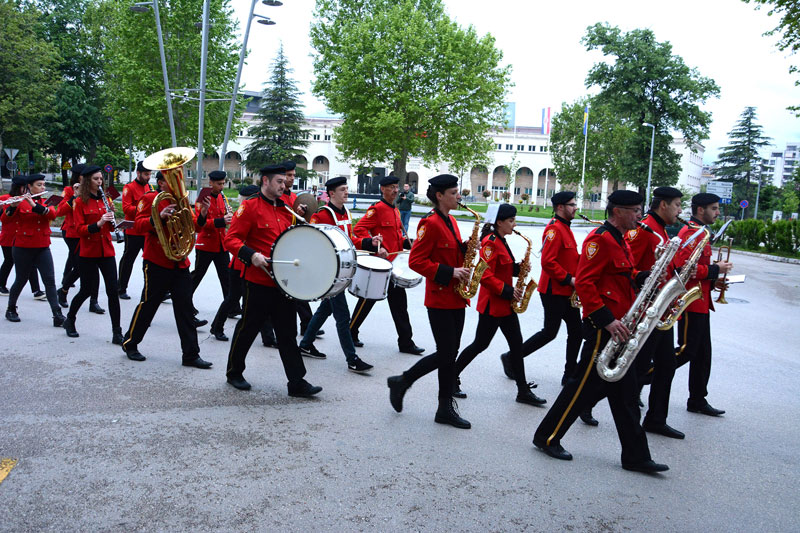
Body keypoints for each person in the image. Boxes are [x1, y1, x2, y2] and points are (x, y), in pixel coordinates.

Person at [532, 190, 669, 474]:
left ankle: (635, 456)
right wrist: (606, 319)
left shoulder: (620, 240)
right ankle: (546, 437)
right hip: (603, 329)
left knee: (627, 395)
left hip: (620, 325)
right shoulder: (600, 240)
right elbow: (584, 282)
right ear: (617, 211)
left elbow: (621, 275)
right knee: (579, 388)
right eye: (634, 210)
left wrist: (642, 277)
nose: (639, 216)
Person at [223, 164, 321, 397]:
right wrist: (251, 255)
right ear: (265, 181)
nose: (284, 184)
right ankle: (234, 372)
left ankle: (297, 382)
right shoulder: (249, 207)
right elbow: (231, 239)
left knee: (287, 333)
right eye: (279, 181)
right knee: (248, 328)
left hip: (283, 282)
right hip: (258, 281)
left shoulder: (287, 208)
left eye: (284, 181)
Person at [386, 174, 471, 429]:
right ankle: (403, 381)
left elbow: (450, 251)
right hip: (439, 298)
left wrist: (466, 248)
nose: (459, 196)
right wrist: (450, 272)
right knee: (446, 353)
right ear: (440, 196)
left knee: (450, 354)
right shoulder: (429, 223)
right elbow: (416, 261)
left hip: (456, 297)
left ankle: (443, 408)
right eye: (454, 193)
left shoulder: (452, 221)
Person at [452, 203, 547, 406]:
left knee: (516, 345)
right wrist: (509, 290)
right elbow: (484, 274)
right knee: (480, 344)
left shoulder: (502, 240)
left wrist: (518, 268)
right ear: (500, 222)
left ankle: (523, 390)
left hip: (505, 305)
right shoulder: (490, 242)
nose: (514, 224)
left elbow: (503, 267)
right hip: (493, 305)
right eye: (511, 220)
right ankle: (451, 377)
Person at [120, 171, 213, 370]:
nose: (178, 183)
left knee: (186, 310)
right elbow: (137, 225)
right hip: (157, 261)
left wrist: (203, 215)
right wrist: (158, 217)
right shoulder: (151, 199)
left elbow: (194, 227)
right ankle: (131, 343)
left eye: (178, 179)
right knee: (149, 305)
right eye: (174, 179)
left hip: (180, 262)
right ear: (162, 183)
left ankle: (191, 354)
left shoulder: (182, 201)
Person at [298, 176, 380, 373]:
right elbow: (313, 241)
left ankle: (306, 344)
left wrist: (370, 243)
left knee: (326, 309)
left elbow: (350, 239)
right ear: (331, 193)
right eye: (342, 189)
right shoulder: (321, 215)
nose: (346, 192)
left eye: (346, 188)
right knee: (342, 316)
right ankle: (352, 359)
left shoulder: (346, 212)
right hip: (329, 272)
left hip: (342, 270)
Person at [498, 191, 581, 385]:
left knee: (576, 332)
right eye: (572, 204)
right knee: (549, 332)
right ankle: (512, 357)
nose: (575, 207)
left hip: (567, 291)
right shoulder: (554, 229)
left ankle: (569, 374)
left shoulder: (565, 228)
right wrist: (570, 280)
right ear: (560, 207)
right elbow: (548, 262)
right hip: (554, 291)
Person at [626, 186, 686, 439]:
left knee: (666, 364)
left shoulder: (660, 231)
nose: (680, 211)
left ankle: (656, 419)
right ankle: (588, 403)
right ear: (663, 205)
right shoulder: (645, 230)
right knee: (638, 367)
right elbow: (629, 267)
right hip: (647, 310)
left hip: (661, 308)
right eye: (677, 205)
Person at [673, 192, 733, 417]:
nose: (718, 213)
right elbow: (683, 269)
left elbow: (699, 269)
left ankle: (697, 399)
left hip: (701, 300)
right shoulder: (691, 233)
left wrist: (714, 279)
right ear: (701, 210)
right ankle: (639, 376)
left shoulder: (701, 232)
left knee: (703, 354)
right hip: (690, 302)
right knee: (686, 351)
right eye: (714, 209)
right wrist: (715, 270)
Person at [349, 175, 423, 354]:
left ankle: (406, 342)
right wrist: (374, 245)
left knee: (400, 306)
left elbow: (397, 237)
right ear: (382, 189)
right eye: (391, 187)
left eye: (397, 187)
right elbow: (358, 231)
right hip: (381, 265)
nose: (396, 190)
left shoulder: (396, 210)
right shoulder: (377, 209)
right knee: (367, 301)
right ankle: (350, 333)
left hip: (394, 266)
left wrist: (410, 243)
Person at [61, 165, 123, 344]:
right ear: (87, 181)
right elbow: (80, 229)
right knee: (87, 290)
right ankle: (70, 319)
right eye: (96, 179)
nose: (100, 182)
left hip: (106, 250)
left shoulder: (106, 200)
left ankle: (117, 332)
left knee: (113, 291)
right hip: (88, 252)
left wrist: (113, 222)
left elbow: (110, 226)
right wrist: (99, 223)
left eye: (101, 178)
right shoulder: (79, 202)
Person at [4, 174, 66, 326]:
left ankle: (57, 315)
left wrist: (34, 205)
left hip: (42, 246)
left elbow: (52, 214)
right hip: (23, 247)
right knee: (21, 279)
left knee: (49, 280)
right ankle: (11, 309)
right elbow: (5, 221)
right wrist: (12, 208)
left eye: (44, 185)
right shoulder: (19, 202)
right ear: (29, 187)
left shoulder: (45, 201)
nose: (43, 188)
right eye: (39, 185)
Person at [56, 164, 104, 314]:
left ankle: (93, 301)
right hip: (72, 233)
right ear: (79, 177)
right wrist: (74, 197)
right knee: (79, 267)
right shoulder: (69, 190)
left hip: (90, 232)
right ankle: (63, 290)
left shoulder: (95, 191)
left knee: (93, 268)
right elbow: (60, 211)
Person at [192, 170, 232, 328]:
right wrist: (222, 220)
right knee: (197, 276)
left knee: (227, 278)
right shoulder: (203, 198)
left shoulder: (222, 197)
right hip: (206, 245)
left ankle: (231, 307)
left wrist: (229, 217)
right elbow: (200, 223)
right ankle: (183, 298)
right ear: (211, 183)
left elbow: (224, 217)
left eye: (223, 183)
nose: (221, 187)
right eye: (219, 184)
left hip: (221, 244)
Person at [0, 176, 44, 299]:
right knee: (9, 261)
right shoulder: (5, 199)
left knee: (30, 264)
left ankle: (36, 291)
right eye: (25, 188)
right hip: (8, 237)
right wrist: (11, 206)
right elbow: (4, 218)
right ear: (20, 188)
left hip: (23, 238)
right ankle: (1, 284)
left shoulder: (29, 200)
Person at [117, 161, 152, 300]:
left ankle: (152, 288)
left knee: (150, 261)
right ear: (138, 173)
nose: (148, 177)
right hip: (132, 231)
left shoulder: (149, 186)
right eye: (146, 174)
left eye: (149, 174)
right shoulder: (129, 188)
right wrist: (143, 208)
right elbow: (126, 209)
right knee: (128, 260)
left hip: (146, 230)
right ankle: (121, 288)